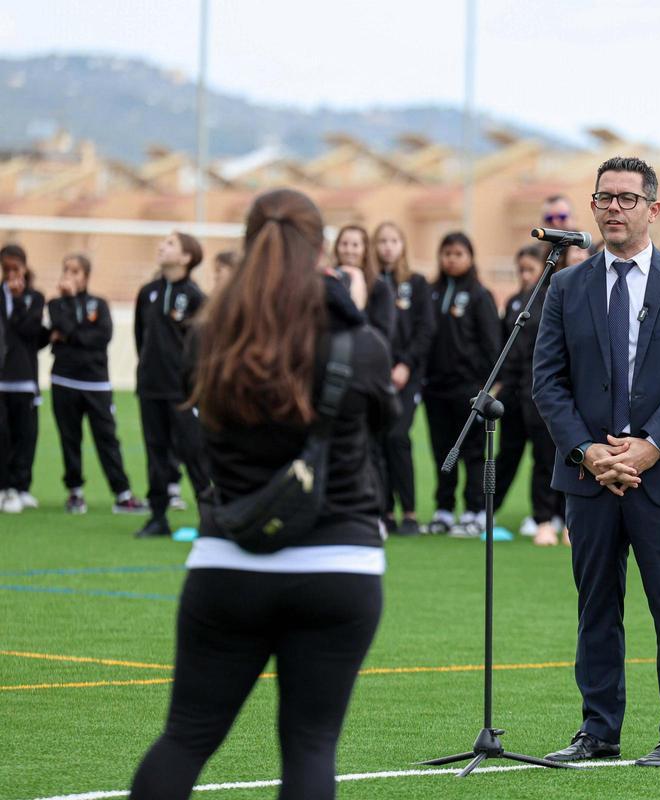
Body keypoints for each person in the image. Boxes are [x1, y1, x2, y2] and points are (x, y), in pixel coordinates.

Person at [129, 188, 397, 799]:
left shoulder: (210, 338)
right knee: (309, 746)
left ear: (250, 244)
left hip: (230, 559)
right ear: (322, 248)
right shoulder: (360, 345)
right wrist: (349, 312)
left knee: (187, 736)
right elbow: (385, 424)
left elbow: (198, 433)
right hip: (339, 564)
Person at [533, 156, 660, 767]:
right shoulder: (565, 286)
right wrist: (588, 453)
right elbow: (548, 382)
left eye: (626, 199)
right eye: (604, 198)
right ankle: (598, 730)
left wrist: (650, 445)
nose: (613, 208)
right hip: (590, 479)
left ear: (653, 209)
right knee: (595, 609)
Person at [47, 253, 148, 514]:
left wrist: (70, 335)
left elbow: (102, 336)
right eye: (66, 270)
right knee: (70, 439)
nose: (70, 276)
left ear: (86, 276)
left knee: (107, 439)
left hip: (96, 384)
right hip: (64, 381)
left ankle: (122, 494)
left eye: (76, 271)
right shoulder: (56, 304)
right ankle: (75, 493)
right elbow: (63, 327)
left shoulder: (100, 304)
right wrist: (70, 314)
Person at [132, 232, 211, 538]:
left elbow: (202, 345)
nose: (161, 246)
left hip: (182, 390)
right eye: (161, 242)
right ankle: (158, 516)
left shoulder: (195, 296)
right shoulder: (147, 292)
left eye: (169, 244)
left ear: (186, 257)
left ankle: (208, 514)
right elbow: (141, 337)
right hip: (150, 388)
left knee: (193, 450)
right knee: (156, 452)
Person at [425, 232, 501, 537]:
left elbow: (492, 345)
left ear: (470, 257)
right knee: (441, 450)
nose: (451, 259)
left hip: (469, 389)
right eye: (447, 253)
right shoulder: (430, 292)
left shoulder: (480, 295)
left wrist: (485, 388)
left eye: (458, 253)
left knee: (471, 451)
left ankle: (474, 510)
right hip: (435, 389)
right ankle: (444, 510)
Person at [496, 244, 569, 545]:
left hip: (551, 391)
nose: (526, 276)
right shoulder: (518, 302)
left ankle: (559, 520)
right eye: (521, 270)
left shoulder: (555, 297)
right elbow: (509, 350)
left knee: (552, 457)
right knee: (520, 456)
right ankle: (540, 518)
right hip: (520, 393)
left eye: (531, 269)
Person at [374, 221, 434, 537]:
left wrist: (406, 365)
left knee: (398, 436)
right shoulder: (369, 284)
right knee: (379, 440)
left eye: (393, 240)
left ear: (402, 245)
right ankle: (383, 511)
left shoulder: (417, 283)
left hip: (407, 377)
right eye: (382, 241)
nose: (387, 246)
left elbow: (426, 329)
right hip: (376, 375)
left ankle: (409, 511)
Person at [0, 244, 46, 514]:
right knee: (2, 434)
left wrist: (18, 299)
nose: (11, 273)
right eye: (6, 268)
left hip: (24, 377)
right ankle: (5, 488)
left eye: (15, 268)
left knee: (25, 435)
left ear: (25, 267)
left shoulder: (35, 298)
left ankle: (20, 486)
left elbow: (29, 331)